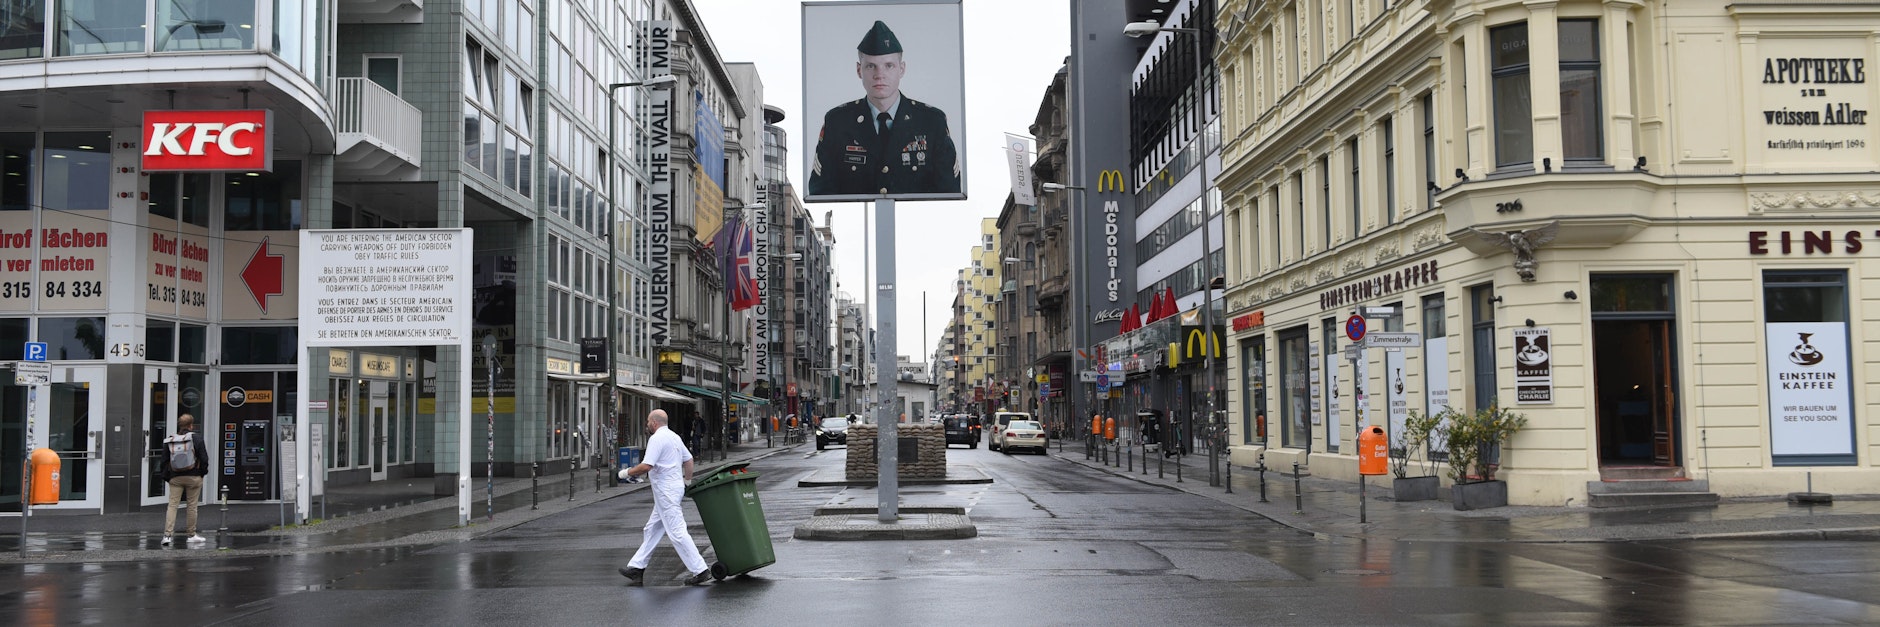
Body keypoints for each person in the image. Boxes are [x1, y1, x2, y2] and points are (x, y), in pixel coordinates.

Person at [807, 19, 960, 197]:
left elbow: (949, 193)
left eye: (889, 66)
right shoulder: (838, 122)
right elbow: (821, 193)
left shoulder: (932, 122)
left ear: (901, 69)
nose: (880, 75)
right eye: (871, 66)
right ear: (859, 70)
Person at [618, 409, 712, 586]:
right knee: (652, 529)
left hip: (665, 491)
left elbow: (646, 466)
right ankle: (636, 568)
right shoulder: (675, 437)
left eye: (648, 421)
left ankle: (700, 569)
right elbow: (689, 460)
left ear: (654, 422)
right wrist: (687, 481)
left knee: (677, 531)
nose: (647, 424)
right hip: (674, 488)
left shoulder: (656, 439)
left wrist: (625, 472)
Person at [160, 413, 210, 546]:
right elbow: (204, 458)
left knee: (172, 505)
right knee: (192, 506)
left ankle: (167, 535)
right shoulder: (196, 438)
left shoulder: (170, 440)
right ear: (191, 425)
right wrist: (202, 474)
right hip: (193, 477)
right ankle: (191, 534)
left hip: (175, 478)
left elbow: (164, 461)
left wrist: (168, 477)